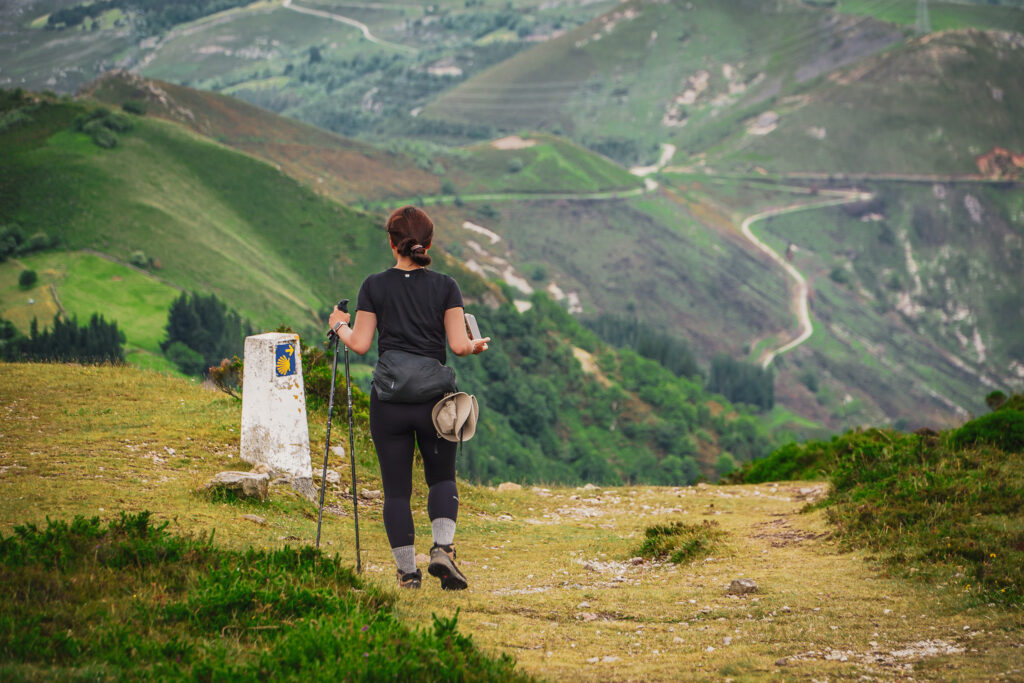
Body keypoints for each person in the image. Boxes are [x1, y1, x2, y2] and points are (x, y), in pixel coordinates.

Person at [328, 206, 489, 590]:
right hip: (436, 402)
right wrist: (474, 345)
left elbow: (362, 345)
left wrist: (338, 325)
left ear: (391, 242)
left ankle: (408, 575)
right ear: (428, 243)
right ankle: (443, 550)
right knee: (441, 478)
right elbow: (458, 346)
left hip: (391, 401)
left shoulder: (374, 285)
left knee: (396, 491)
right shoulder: (446, 286)